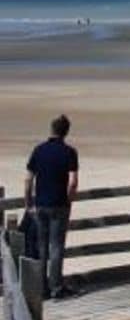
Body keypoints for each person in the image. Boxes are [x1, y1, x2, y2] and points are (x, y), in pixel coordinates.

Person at [25, 114, 79, 299]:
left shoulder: (39, 150)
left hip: (40, 204)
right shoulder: (69, 152)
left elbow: (28, 179)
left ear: (52, 130)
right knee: (56, 247)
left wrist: (28, 203)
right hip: (59, 205)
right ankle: (56, 286)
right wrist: (69, 201)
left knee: (42, 247)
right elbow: (72, 182)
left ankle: (42, 289)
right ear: (66, 132)